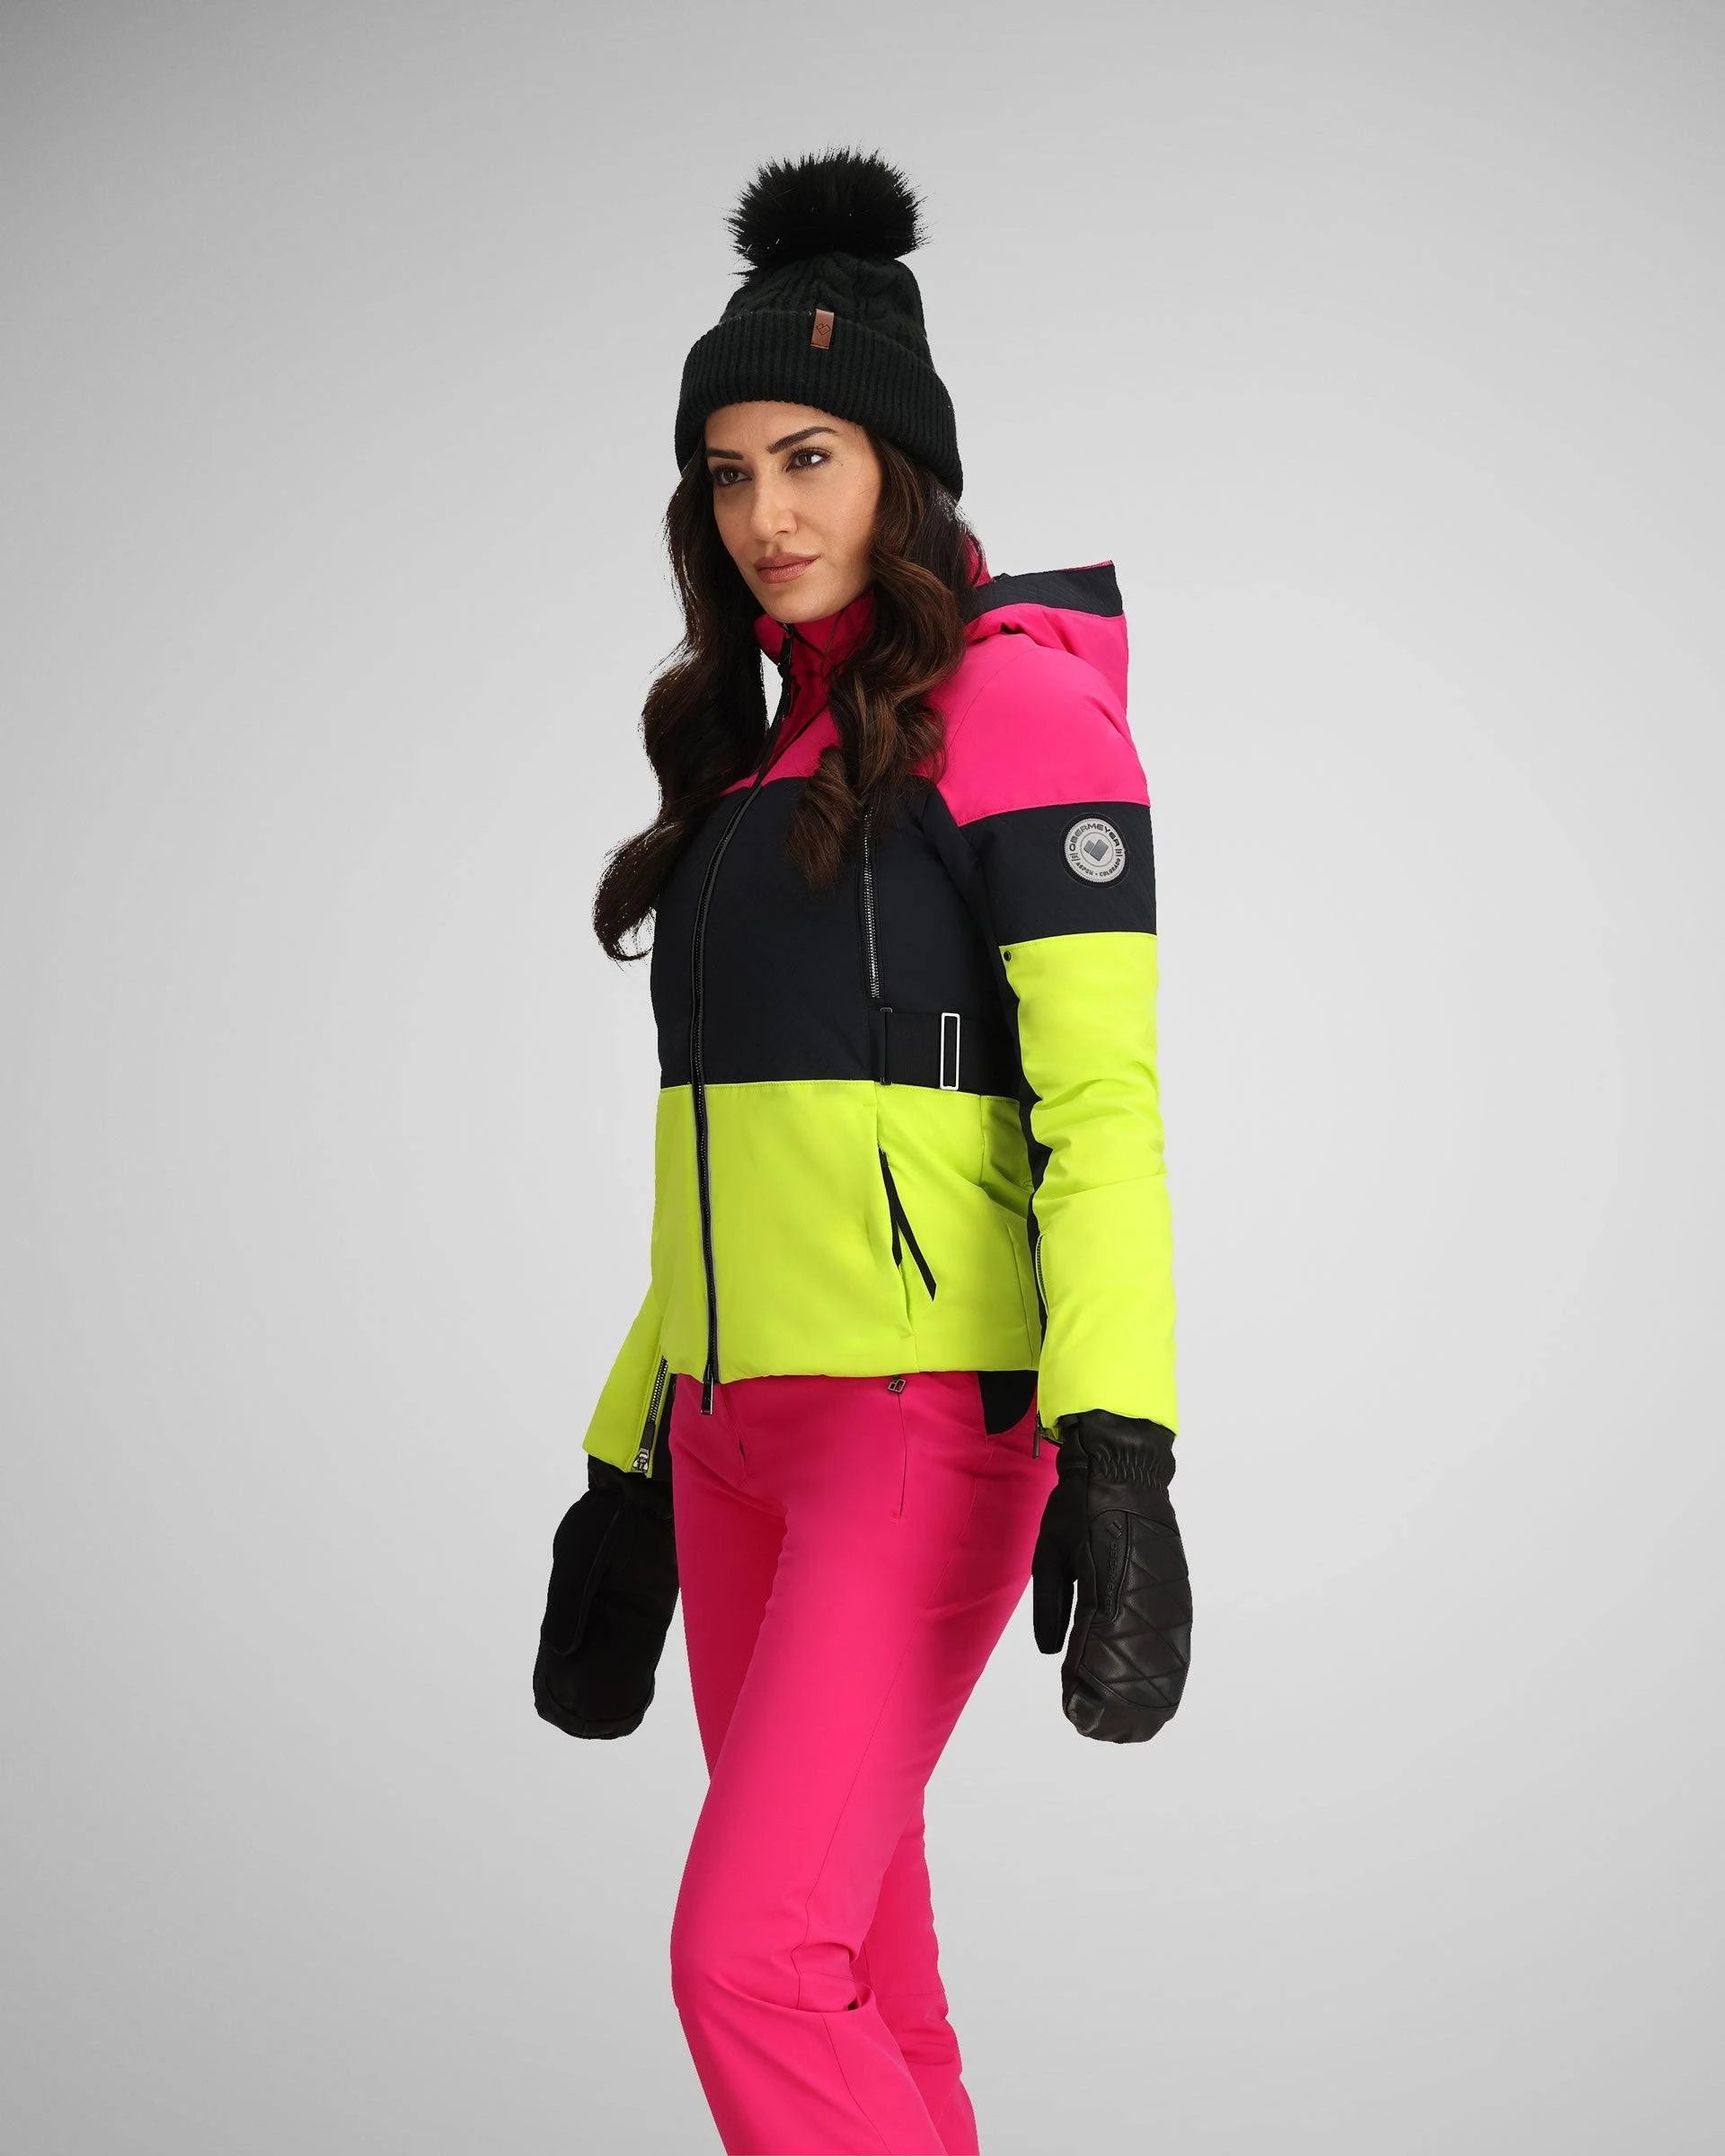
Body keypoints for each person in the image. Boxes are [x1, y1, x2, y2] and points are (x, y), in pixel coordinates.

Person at [534, 146, 1193, 2156]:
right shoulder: (753, 770)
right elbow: (723, 1173)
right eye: (729, 474)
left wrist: (1123, 1449)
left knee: (748, 1960)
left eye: (809, 459)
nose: (769, 517)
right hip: (729, 1441)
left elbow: (1103, 1119)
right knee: (860, 1981)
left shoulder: (1026, 720)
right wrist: (625, 1460)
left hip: (914, 1439)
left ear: (903, 467)